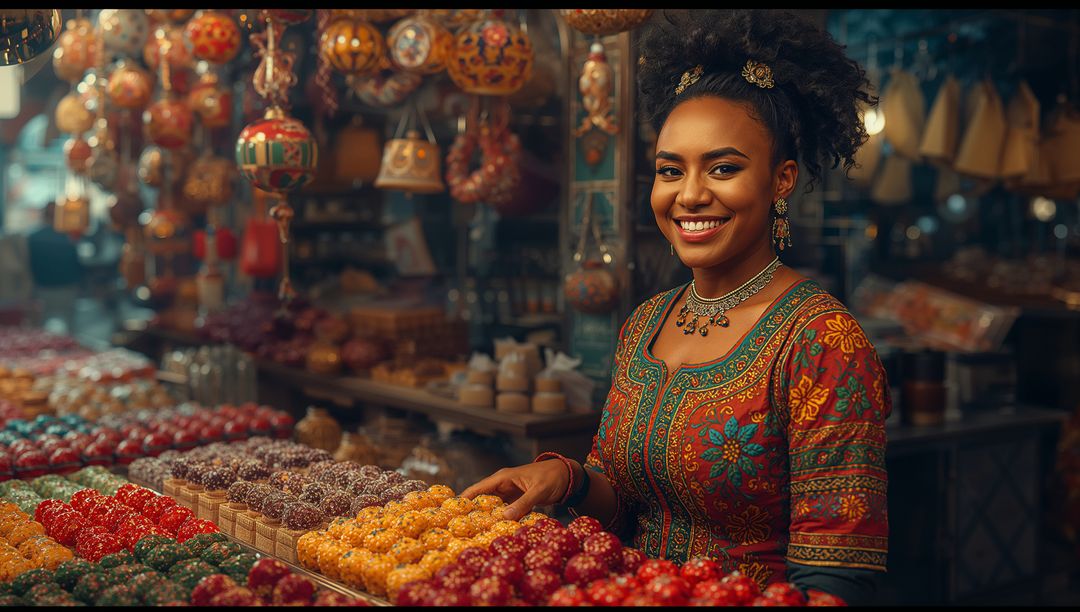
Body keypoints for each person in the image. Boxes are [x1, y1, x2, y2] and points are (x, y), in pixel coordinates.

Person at [462, 9, 889, 605]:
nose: (689, 195)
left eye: (723, 168)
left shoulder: (821, 341)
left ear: (782, 179)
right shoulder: (646, 322)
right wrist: (567, 477)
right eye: (670, 170)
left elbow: (839, 570)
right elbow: (624, 499)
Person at [27, 201, 83, 334]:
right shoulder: (70, 237)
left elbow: (29, 266)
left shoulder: (33, 238)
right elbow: (77, 262)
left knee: (41, 328)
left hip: (43, 289)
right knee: (70, 327)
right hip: (67, 288)